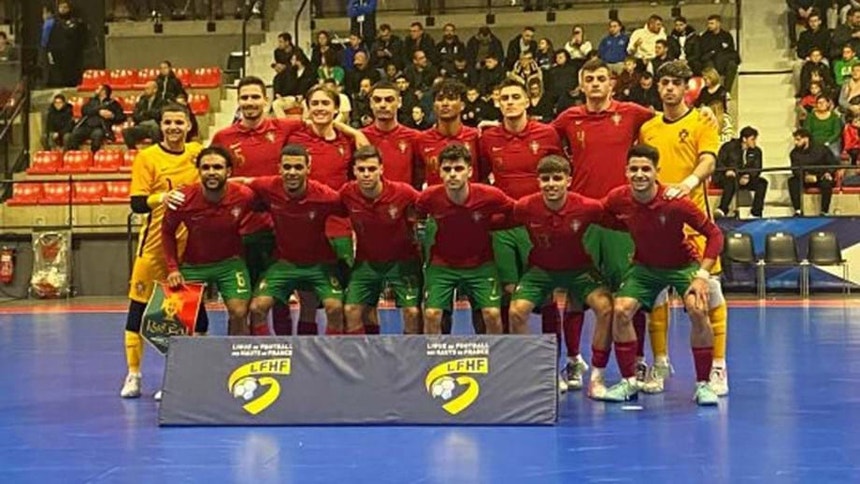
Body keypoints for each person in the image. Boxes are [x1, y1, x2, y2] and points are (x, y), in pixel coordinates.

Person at [551, 58, 654, 389]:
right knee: (579, 294)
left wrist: (706, 113)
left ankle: (637, 361)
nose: (595, 84)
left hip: (624, 219)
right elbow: (539, 139)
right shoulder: (569, 118)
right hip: (583, 220)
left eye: (601, 79)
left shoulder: (633, 113)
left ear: (612, 83)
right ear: (581, 85)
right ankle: (572, 361)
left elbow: (668, 119)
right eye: (589, 79)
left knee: (629, 295)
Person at [601, 144, 724, 406]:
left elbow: (715, 235)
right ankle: (629, 381)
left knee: (698, 308)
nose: (640, 174)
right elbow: (601, 215)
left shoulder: (676, 201)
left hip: (682, 265)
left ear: (657, 171)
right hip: (644, 267)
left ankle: (703, 385)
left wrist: (702, 275)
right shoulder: (618, 198)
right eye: (634, 169)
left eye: (646, 169)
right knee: (621, 310)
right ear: (626, 171)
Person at [638, 60, 727, 396]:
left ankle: (717, 367)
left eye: (676, 82)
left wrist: (689, 182)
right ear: (657, 87)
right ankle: (660, 363)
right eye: (664, 82)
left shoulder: (702, 120)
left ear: (686, 86)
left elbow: (708, 160)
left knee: (708, 299)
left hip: (695, 225)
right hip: (658, 228)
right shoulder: (648, 128)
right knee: (656, 298)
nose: (670, 88)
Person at [508, 155, 614, 398]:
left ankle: (597, 378)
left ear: (569, 180)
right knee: (516, 312)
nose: (551, 184)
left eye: (557, 178)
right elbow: (499, 218)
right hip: (540, 271)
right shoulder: (524, 207)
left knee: (606, 308)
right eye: (545, 179)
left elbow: (619, 220)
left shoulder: (589, 207)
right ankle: (538, 374)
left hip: (579, 270)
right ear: (538, 181)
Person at [121, 103, 203, 400]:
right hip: (154, 247)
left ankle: (179, 375)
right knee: (138, 312)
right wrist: (162, 197)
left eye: (179, 122)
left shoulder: (197, 153)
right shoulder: (147, 158)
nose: (173, 128)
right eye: (168, 122)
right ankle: (134, 375)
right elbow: (137, 203)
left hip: (189, 247)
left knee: (188, 315)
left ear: (189, 125)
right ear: (161, 125)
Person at [211, 76, 305, 336]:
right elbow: (214, 176)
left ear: (266, 99)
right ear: (238, 101)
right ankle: (238, 356)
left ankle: (286, 354)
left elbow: (322, 119)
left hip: (278, 230)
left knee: (280, 300)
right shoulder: (223, 136)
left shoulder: (285, 128)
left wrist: (355, 133)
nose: (250, 102)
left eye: (255, 97)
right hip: (239, 232)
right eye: (245, 97)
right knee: (239, 304)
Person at [478, 79, 564, 345]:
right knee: (507, 292)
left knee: (547, 293)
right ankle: (512, 358)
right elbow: (480, 178)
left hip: (538, 226)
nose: (511, 102)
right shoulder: (487, 138)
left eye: (516, 97)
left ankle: (554, 357)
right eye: (505, 98)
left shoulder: (547, 134)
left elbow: (560, 174)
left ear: (528, 101)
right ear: (498, 103)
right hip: (502, 227)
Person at [244, 144, 349, 335]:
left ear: (308, 169)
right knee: (256, 308)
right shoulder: (267, 186)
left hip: (319, 264)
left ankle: (331, 358)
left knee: (334, 308)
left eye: (298, 167)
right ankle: (263, 354)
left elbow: (351, 207)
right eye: (287, 167)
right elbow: (238, 183)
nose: (292, 172)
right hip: (284, 263)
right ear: (279, 168)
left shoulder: (325, 196)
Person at [416, 143, 514, 335]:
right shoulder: (428, 197)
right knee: (432, 314)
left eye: (459, 168)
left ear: (469, 171)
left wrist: (492, 225)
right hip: (442, 265)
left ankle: (493, 361)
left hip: (481, 264)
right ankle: (434, 362)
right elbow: (416, 216)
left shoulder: (490, 195)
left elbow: (514, 211)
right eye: (447, 169)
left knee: (492, 314)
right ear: (440, 172)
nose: (453, 174)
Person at [414, 79, 484, 335]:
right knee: (436, 306)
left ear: (462, 104)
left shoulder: (476, 137)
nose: (445, 103)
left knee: (483, 305)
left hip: (475, 225)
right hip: (438, 227)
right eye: (440, 98)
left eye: (451, 97)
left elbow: (484, 175)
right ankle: (436, 361)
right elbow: (415, 179)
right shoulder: (420, 140)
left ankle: (489, 361)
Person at [162, 146, 254, 336]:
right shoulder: (183, 198)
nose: (211, 172)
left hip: (230, 264)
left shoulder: (244, 196)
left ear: (228, 171)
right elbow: (167, 232)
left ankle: (236, 357)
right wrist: (172, 269)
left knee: (239, 312)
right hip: (194, 265)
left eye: (217, 168)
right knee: (181, 318)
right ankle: (191, 362)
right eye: (206, 168)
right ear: (199, 171)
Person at [340, 146, 423, 334]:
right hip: (366, 263)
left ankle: (409, 359)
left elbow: (428, 206)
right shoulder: (347, 193)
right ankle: (362, 358)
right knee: (351, 310)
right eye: (361, 170)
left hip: (403, 262)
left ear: (381, 169)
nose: (366, 174)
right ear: (354, 171)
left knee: (411, 312)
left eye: (371, 169)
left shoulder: (403, 192)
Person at [360, 81, 420, 187]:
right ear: (371, 103)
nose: (383, 105)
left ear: (399, 102)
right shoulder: (359, 137)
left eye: (389, 100)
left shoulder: (414, 137)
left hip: (404, 201)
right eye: (377, 100)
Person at [714, 126, 768, 218]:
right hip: (728, 177)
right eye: (752, 139)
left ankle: (756, 213)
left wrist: (748, 176)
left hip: (745, 178)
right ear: (744, 139)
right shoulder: (728, 147)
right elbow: (719, 162)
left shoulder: (757, 151)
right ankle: (722, 209)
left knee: (762, 183)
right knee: (730, 181)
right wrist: (727, 170)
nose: (755, 142)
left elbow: (757, 168)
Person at [788, 128, 838, 216]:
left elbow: (833, 163)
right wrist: (805, 177)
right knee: (792, 181)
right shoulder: (794, 153)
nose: (795, 142)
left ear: (806, 139)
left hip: (821, 176)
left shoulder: (821, 149)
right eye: (795, 140)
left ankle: (824, 211)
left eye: (798, 140)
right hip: (805, 178)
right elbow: (795, 170)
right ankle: (798, 210)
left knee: (827, 182)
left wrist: (828, 172)